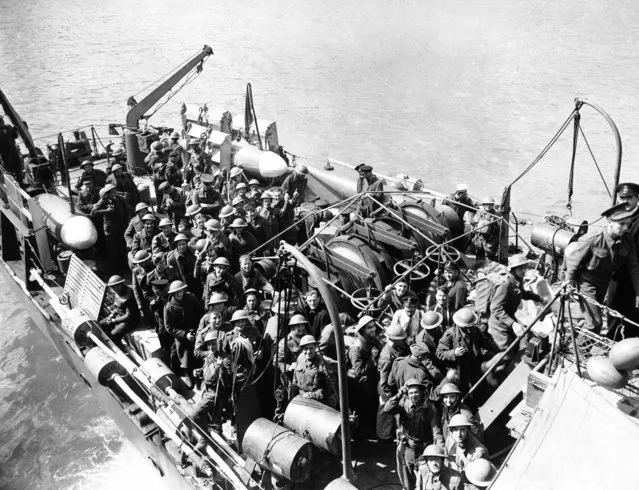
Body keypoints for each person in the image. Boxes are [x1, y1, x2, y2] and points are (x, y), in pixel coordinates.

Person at [383, 378, 443, 490]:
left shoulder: (430, 408)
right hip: (408, 449)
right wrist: (399, 394)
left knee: (425, 478)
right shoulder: (403, 404)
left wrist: (439, 451)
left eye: (416, 392)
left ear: (421, 392)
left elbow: (436, 431)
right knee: (407, 479)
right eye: (410, 393)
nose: (413, 395)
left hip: (424, 450)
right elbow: (386, 409)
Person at [436, 308, 497, 394]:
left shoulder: (475, 330)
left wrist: (499, 347)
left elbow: (486, 342)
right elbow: (439, 353)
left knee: (480, 389)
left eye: (471, 325)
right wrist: (454, 353)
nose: (470, 328)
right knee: (464, 391)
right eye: (467, 326)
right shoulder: (450, 334)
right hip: (460, 370)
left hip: (475, 365)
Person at [488, 254, 542, 350]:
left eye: (525, 268)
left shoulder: (517, 279)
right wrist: (512, 324)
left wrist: (538, 298)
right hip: (499, 324)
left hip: (509, 317)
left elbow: (523, 293)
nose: (523, 271)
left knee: (516, 345)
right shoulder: (505, 284)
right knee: (505, 353)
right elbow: (495, 308)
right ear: (513, 269)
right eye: (520, 268)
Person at [164, 280, 205, 386]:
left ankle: (201, 373)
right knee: (185, 355)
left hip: (196, 330)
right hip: (181, 335)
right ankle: (188, 375)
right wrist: (184, 335)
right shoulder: (169, 307)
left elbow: (202, 313)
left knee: (199, 351)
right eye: (177, 292)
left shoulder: (192, 298)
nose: (180, 294)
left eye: (181, 291)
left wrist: (200, 330)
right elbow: (169, 327)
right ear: (172, 293)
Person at [348, 315, 381, 437]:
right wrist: (372, 359)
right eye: (369, 328)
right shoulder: (356, 348)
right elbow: (359, 370)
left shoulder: (373, 341)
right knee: (362, 415)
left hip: (371, 383)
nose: (373, 330)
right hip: (360, 387)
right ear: (362, 330)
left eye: (373, 327)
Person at [377, 324, 410, 441]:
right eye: (401, 339)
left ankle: (389, 434)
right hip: (386, 388)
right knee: (384, 412)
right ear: (394, 340)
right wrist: (388, 394)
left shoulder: (397, 347)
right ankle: (383, 436)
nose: (403, 341)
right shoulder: (386, 356)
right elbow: (383, 380)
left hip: (393, 385)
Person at [91, 183, 128, 274]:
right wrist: (106, 211)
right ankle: (112, 270)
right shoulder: (103, 200)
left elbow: (128, 209)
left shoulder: (119, 199)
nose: (115, 193)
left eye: (114, 191)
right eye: (112, 192)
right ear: (107, 193)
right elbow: (93, 212)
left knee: (122, 248)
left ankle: (123, 267)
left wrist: (127, 219)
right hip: (110, 230)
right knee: (112, 251)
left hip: (121, 228)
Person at [292, 335, 336, 407]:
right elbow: (295, 380)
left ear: (315, 348)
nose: (308, 351)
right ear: (302, 349)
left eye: (311, 348)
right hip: (302, 398)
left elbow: (331, 388)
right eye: (305, 349)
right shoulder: (300, 358)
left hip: (320, 401)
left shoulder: (323, 363)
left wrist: (314, 395)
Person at [100, 275, 140, 343]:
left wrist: (114, 321)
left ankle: (119, 347)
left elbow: (129, 316)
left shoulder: (129, 296)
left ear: (122, 284)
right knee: (100, 324)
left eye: (117, 286)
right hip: (120, 315)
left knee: (112, 336)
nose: (115, 288)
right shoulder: (118, 292)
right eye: (113, 287)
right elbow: (116, 307)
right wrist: (111, 315)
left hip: (130, 321)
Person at [131, 250, 155, 324]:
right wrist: (139, 304)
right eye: (139, 263)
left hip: (155, 295)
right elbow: (135, 288)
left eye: (143, 262)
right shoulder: (136, 271)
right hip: (145, 298)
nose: (141, 264)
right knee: (147, 320)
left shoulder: (154, 266)